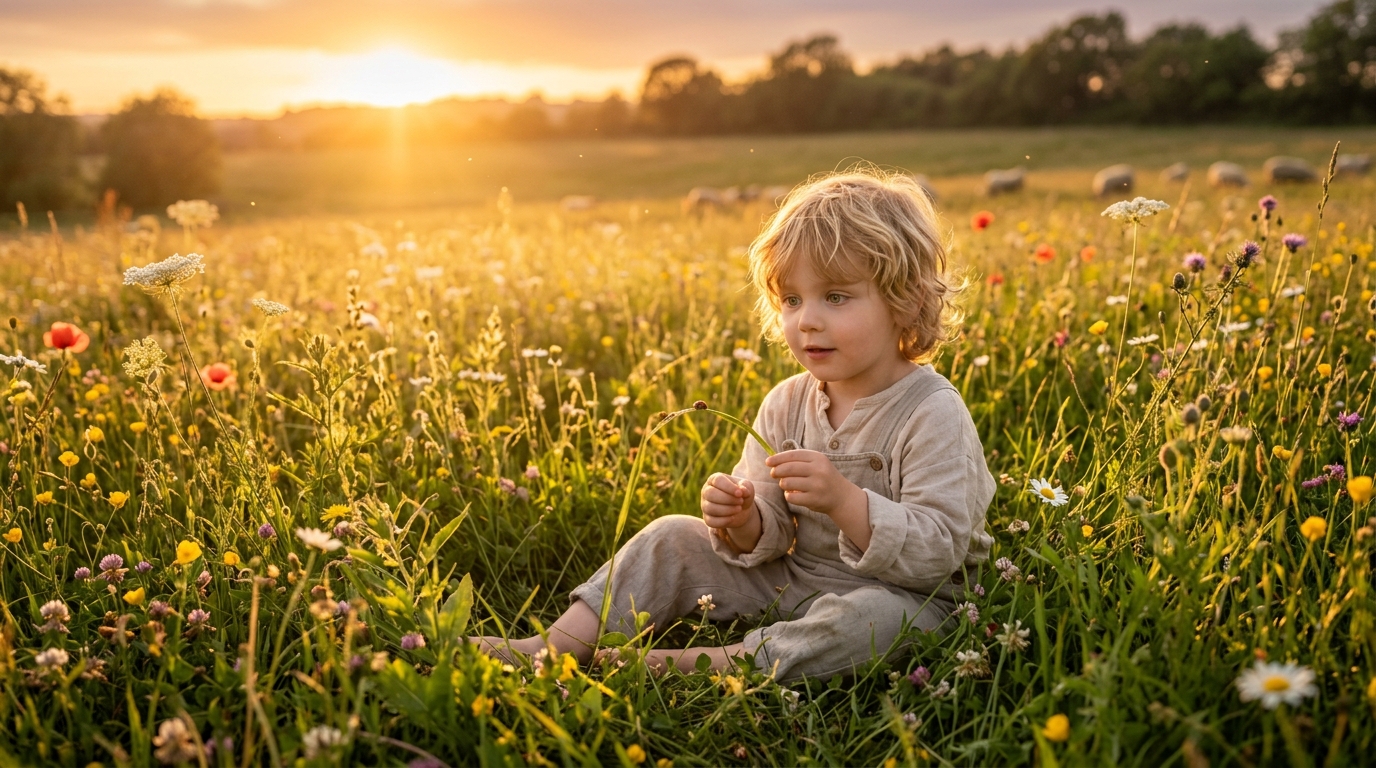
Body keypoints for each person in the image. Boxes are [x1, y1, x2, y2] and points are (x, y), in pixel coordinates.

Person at [472, 169, 995, 682]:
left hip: (913, 598)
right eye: (792, 299)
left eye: (835, 297)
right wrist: (742, 518)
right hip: (795, 581)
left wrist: (843, 500)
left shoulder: (931, 410)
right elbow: (769, 532)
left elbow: (939, 550)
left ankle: (704, 664)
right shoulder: (786, 402)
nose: (806, 319)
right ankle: (555, 646)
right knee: (672, 536)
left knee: (874, 624)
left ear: (906, 301)